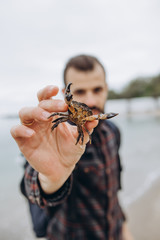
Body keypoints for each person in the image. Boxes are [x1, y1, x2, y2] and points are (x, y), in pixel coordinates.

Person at [11, 54, 133, 240]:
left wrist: (124, 230)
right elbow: (32, 188)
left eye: (97, 89)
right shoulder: (58, 137)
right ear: (66, 94)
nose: (90, 101)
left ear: (106, 89)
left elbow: (113, 190)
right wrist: (49, 178)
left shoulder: (112, 132)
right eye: (81, 92)